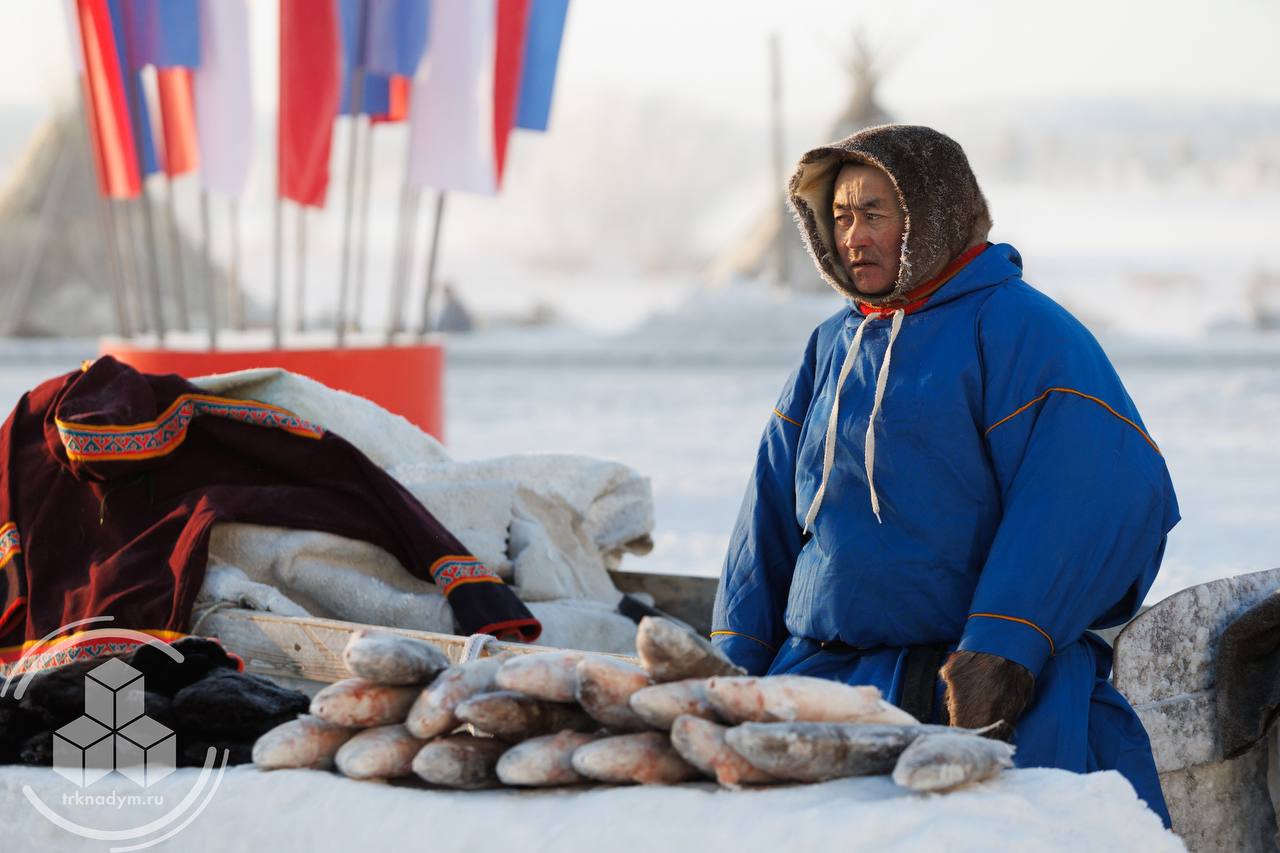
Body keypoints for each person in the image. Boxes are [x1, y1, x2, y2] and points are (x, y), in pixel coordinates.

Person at [711, 124, 1179, 826]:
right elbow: (768, 516)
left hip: (984, 693)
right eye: (839, 216)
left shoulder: (1019, 328)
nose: (852, 237)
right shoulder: (832, 344)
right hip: (829, 684)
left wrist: (1002, 648)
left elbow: (1086, 494)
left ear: (932, 214)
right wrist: (733, 663)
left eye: (874, 214)